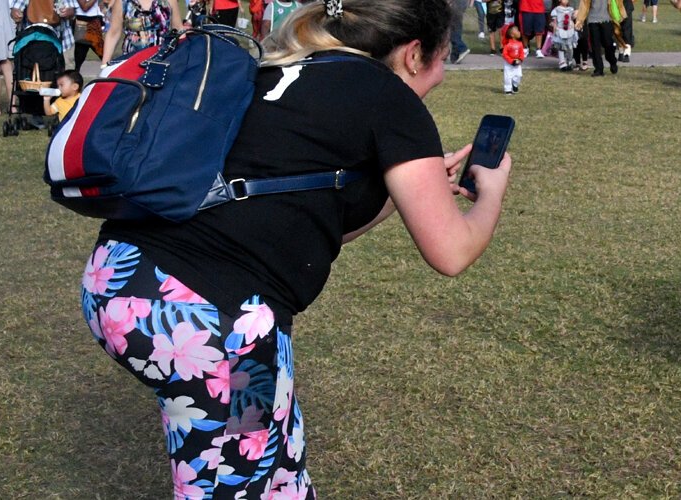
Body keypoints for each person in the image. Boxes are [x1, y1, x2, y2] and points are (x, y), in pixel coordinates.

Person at [83, 0, 514, 496]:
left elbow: (305, 222)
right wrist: (494, 190)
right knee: (238, 477)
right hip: (217, 323)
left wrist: (407, 196)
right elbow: (452, 251)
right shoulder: (390, 96)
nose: (438, 78)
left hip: (122, 278)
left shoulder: (283, 69)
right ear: (414, 55)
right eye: (441, 62)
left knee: (273, 457)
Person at [100, 0, 185, 64]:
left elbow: (178, 29)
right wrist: (104, 65)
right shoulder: (123, 2)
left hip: (162, 61)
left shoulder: (169, 1)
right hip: (130, 62)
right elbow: (113, 33)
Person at [574, 0, 620, 75]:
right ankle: (599, 69)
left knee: (608, 43)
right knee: (595, 45)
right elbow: (584, 4)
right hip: (592, 19)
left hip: (606, 18)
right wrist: (579, 20)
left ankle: (612, 61)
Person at [73, 0, 105, 69]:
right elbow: (84, 7)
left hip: (94, 21)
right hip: (83, 23)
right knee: (79, 58)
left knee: (105, 56)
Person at [549, 0, 576, 69]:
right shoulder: (556, 9)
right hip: (560, 30)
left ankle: (569, 61)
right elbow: (554, 21)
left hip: (569, 30)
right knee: (561, 47)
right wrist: (554, 30)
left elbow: (573, 18)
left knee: (570, 47)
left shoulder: (571, 9)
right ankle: (562, 62)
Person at [501, 23, 524, 91]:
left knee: (519, 75)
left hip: (517, 62)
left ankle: (515, 84)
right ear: (512, 35)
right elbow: (505, 54)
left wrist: (520, 59)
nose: (519, 32)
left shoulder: (520, 43)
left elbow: (521, 53)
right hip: (509, 63)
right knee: (508, 76)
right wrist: (511, 61)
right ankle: (508, 89)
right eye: (517, 31)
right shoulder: (508, 44)